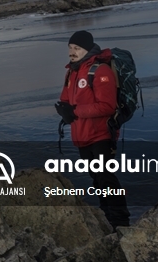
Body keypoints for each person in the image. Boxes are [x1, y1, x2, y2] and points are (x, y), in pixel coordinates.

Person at [55, 30, 130, 229]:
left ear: (87, 49)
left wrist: (76, 111)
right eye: (70, 48)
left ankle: (121, 221)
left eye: (77, 48)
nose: (72, 52)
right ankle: (108, 218)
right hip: (82, 135)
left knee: (106, 177)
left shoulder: (100, 71)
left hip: (101, 134)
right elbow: (65, 99)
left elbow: (107, 106)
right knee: (97, 179)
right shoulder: (72, 71)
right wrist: (64, 110)